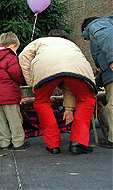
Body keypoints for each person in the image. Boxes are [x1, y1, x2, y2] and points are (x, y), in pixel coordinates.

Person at [19, 35, 97, 154]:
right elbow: (69, 84)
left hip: (45, 66)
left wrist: (31, 83)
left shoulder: (39, 42)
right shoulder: (71, 44)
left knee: (41, 102)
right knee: (87, 100)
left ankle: (53, 144)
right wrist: (69, 108)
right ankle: (78, 142)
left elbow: (23, 57)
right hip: (77, 67)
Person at [0, 32, 29, 150]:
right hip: (8, 93)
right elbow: (16, 74)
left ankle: (4, 143)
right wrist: (25, 81)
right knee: (14, 120)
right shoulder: (10, 57)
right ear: (13, 45)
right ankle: (18, 142)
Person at [81, 16, 113, 149]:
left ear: (85, 29)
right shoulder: (108, 24)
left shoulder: (96, 26)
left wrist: (112, 59)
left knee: (111, 106)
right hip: (108, 75)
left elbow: (107, 37)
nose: (88, 41)